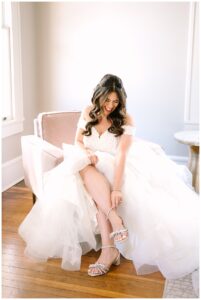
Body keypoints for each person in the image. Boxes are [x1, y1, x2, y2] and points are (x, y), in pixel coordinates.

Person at [19, 74, 199, 279]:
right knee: (83, 165)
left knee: (92, 179)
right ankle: (114, 223)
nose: (111, 105)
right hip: (88, 162)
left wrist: (116, 188)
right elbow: (77, 141)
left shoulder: (125, 119)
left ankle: (108, 250)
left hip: (113, 165)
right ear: (99, 96)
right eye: (108, 100)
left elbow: (122, 154)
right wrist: (86, 153)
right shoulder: (88, 112)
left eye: (116, 101)